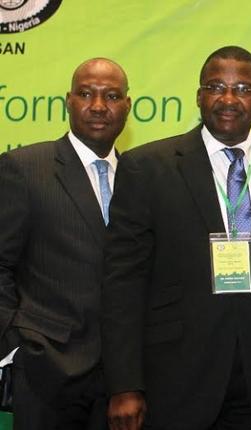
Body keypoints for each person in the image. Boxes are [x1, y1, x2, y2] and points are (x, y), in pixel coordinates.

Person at [101, 46, 251, 429]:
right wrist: (124, 385)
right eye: (216, 86)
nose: (229, 99)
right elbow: (122, 284)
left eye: (243, 88)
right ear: (199, 96)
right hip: (175, 376)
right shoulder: (147, 168)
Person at [0, 58, 130, 429]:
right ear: (68, 101)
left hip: (121, 384)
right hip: (45, 373)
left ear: (127, 106)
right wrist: (16, 347)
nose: (99, 106)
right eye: (86, 94)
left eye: (112, 95)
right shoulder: (24, 168)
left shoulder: (140, 176)